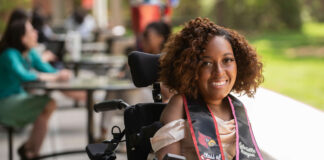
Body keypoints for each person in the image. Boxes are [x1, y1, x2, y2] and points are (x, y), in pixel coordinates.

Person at [150, 18, 264, 160]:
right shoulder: (180, 105)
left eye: (227, 60)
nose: (219, 72)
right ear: (190, 68)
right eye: (207, 63)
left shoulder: (237, 110)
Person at [0, 11, 71, 159]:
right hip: (5, 102)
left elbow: (45, 68)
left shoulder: (26, 52)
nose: (36, 32)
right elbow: (24, 76)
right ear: (22, 37)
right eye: (31, 30)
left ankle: (30, 150)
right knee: (47, 104)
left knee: (47, 106)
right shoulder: (10, 54)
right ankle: (31, 151)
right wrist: (54, 76)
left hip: (17, 97)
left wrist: (59, 73)